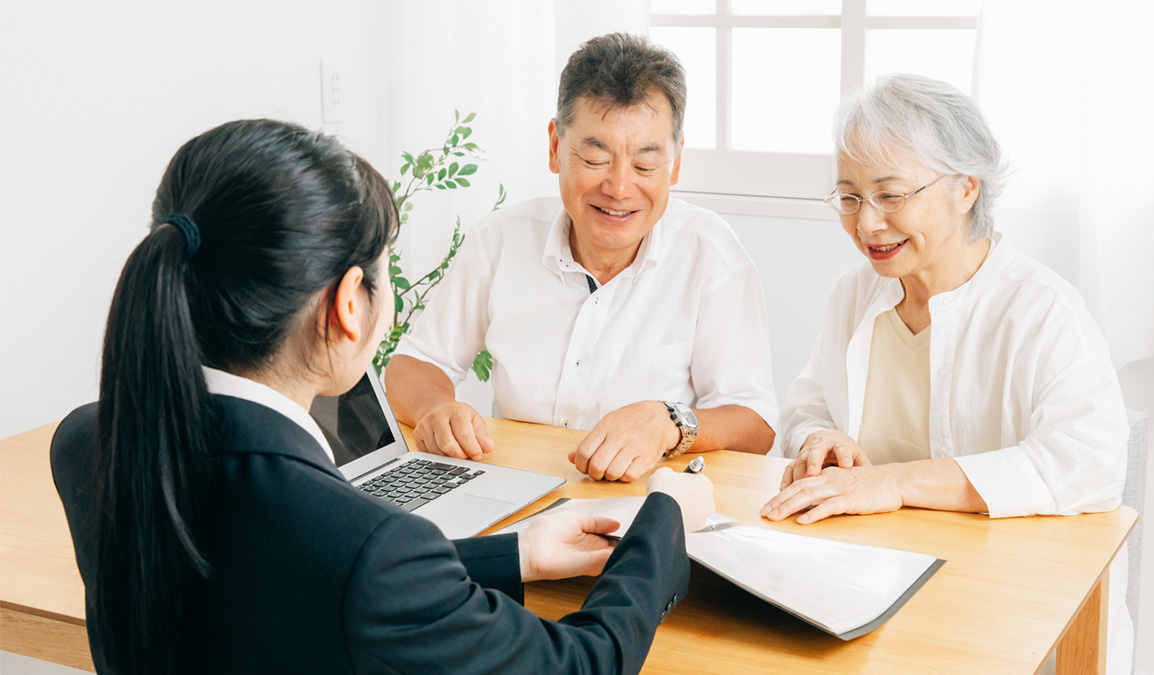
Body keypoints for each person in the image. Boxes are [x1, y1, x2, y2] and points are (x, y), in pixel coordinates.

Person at [50, 119, 715, 674]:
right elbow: (580, 662)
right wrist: (663, 522)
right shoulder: (368, 544)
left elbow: (291, 577)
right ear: (346, 305)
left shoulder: (88, 443)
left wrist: (516, 552)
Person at [759, 74, 1132, 673]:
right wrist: (818, 439)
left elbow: (1089, 464)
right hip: (869, 590)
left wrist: (896, 482)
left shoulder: (1041, 309)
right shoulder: (854, 295)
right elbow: (808, 405)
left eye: (891, 194)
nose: (867, 223)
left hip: (1008, 608)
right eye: (849, 197)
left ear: (965, 188)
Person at [386, 33, 777, 482]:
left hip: (644, 513)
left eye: (646, 165)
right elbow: (414, 365)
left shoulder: (711, 256)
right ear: (555, 147)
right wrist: (438, 408)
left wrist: (669, 422)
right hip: (514, 496)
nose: (619, 188)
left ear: (675, 162)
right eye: (595, 158)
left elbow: (756, 423)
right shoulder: (499, 240)